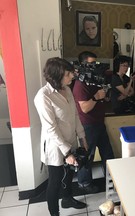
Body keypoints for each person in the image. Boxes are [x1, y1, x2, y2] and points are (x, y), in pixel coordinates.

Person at [34, 57, 88, 216]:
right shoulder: (43, 96)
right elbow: (51, 128)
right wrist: (67, 153)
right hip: (55, 146)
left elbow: (75, 115)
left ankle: (67, 199)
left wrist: (82, 138)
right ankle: (54, 213)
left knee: (70, 174)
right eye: (68, 74)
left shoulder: (67, 89)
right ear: (56, 76)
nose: (72, 76)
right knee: (55, 181)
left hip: (70, 139)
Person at [72, 51, 115, 193]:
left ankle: (113, 179)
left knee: (107, 153)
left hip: (99, 122)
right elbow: (84, 108)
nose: (93, 67)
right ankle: (84, 183)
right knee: (88, 156)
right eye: (90, 64)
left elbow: (101, 98)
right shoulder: (80, 84)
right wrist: (97, 97)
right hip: (87, 125)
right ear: (83, 64)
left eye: (94, 63)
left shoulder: (95, 79)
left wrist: (105, 96)